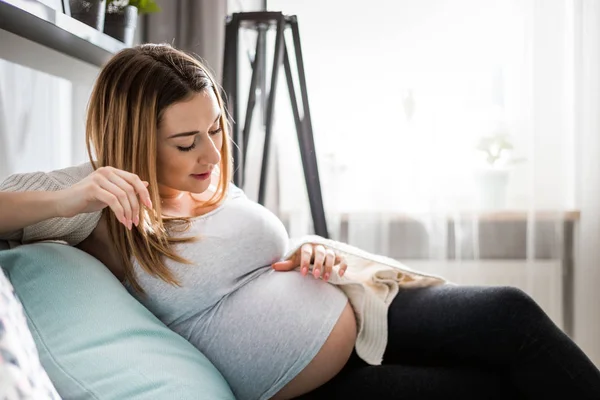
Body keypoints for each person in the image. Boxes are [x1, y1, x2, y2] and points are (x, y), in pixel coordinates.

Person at [0, 44, 599, 400]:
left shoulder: (201, 175)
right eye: (186, 142)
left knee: (510, 315)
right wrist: (67, 200)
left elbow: (251, 264)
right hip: (309, 386)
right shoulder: (90, 198)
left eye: (215, 130)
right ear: (132, 141)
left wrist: (308, 256)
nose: (211, 156)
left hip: (353, 308)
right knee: (489, 391)